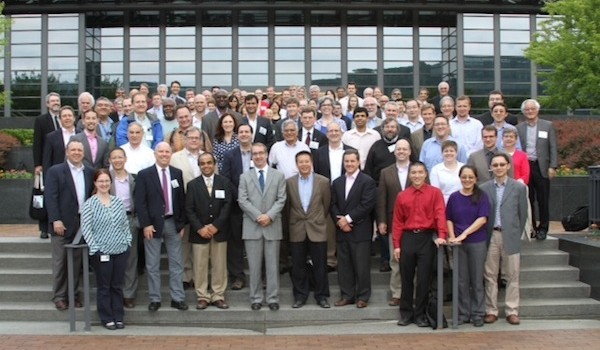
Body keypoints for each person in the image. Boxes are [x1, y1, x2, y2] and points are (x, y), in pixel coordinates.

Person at [135, 142, 188, 312]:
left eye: (167, 152)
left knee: (176, 264)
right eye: (161, 152)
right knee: (152, 264)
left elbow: (181, 199)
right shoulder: (144, 175)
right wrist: (146, 224)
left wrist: (181, 223)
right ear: (155, 154)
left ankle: (177, 298)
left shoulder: (176, 173)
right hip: (152, 225)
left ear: (171, 154)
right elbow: (140, 202)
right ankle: (155, 298)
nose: (164, 154)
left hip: (173, 223)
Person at [393, 161, 447, 327]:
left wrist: (442, 234)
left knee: (424, 279)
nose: (417, 176)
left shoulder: (435, 193)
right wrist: (397, 244)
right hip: (408, 238)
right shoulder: (402, 195)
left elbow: (440, 214)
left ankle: (420, 315)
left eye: (420, 172)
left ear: (426, 174)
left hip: (426, 238)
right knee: (406, 277)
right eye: (414, 173)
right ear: (410, 175)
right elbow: (397, 222)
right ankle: (406, 314)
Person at [45, 139, 94, 311]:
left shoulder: (89, 172)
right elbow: (50, 197)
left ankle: (73, 295)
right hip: (61, 224)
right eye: (73, 150)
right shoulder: (56, 171)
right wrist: (55, 219)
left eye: (79, 150)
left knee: (76, 263)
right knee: (60, 263)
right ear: (67, 152)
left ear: (83, 153)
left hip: (82, 224)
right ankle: (59, 296)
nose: (76, 153)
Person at [238, 143, 287, 311]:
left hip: (272, 226)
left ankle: (273, 298)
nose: (258, 156)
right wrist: (259, 216)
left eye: (261, 153)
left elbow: (281, 199)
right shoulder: (244, 177)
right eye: (254, 154)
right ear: (251, 156)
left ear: (266, 154)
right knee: (254, 266)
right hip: (252, 227)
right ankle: (256, 298)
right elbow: (242, 200)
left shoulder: (278, 176)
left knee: (273, 266)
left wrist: (269, 216)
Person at [81, 169, 132, 330]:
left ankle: (118, 316)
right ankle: (106, 317)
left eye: (106, 181)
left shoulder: (117, 202)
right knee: (104, 287)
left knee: (117, 285)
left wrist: (127, 241)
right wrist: (95, 248)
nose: (104, 184)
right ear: (95, 183)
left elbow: (125, 224)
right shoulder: (90, 204)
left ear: (110, 183)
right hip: (101, 252)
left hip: (120, 250)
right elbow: (86, 229)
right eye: (100, 181)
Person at [481, 153, 528, 325]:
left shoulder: (518, 188)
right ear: (491, 168)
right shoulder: (484, 188)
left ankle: (512, 310)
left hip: (510, 235)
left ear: (508, 166)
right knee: (490, 274)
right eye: (495, 165)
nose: (499, 168)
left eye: (502, 164)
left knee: (512, 274)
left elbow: (522, 214)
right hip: (491, 235)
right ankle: (491, 310)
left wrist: (515, 232)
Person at [186, 152, 233, 310]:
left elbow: (227, 205)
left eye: (209, 163)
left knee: (219, 265)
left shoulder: (224, 182)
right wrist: (200, 227)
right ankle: (202, 296)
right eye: (203, 163)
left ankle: (218, 295)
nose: (206, 166)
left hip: (219, 232)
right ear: (199, 166)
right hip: (199, 233)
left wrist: (216, 225)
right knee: (199, 265)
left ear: (214, 164)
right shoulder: (192, 185)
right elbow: (189, 209)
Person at [330, 149, 377, 309]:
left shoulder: (367, 181)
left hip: (360, 230)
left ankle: (363, 296)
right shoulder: (337, 182)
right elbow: (333, 204)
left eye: (352, 161)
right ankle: (347, 295)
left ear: (359, 162)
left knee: (361, 265)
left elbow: (367, 205)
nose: (349, 164)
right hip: (342, 231)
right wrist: (340, 222)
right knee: (344, 265)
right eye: (346, 161)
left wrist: (348, 219)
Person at [286, 151, 332, 309]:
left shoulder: (323, 182)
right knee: (298, 265)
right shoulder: (289, 182)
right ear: (296, 164)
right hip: (297, 228)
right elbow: (288, 206)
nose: (304, 164)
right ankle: (300, 296)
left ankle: (322, 296)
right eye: (301, 162)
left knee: (320, 265)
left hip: (317, 227)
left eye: (306, 161)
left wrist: (316, 219)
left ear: (311, 162)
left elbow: (326, 205)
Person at [446, 165, 491, 327]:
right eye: (464, 177)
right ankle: (463, 313)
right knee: (461, 280)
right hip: (458, 245)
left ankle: (478, 313)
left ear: (476, 178)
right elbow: (449, 218)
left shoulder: (482, 196)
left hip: (477, 242)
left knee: (477, 280)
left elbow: (483, 219)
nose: (467, 180)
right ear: (460, 178)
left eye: (470, 177)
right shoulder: (453, 197)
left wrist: (464, 234)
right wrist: (452, 237)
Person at [376, 138, 412, 307]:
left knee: (413, 259)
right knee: (395, 259)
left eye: (404, 149)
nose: (401, 152)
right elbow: (381, 198)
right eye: (399, 149)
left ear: (410, 151)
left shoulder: (418, 170)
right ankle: (397, 293)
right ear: (395, 151)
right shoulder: (386, 172)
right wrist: (381, 221)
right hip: (393, 222)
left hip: (416, 223)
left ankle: (413, 292)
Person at [516, 99, 557, 240]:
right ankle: (532, 227)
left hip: (542, 166)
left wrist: (553, 166)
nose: (530, 111)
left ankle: (543, 228)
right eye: (527, 109)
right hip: (526, 165)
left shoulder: (548, 125)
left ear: (537, 110)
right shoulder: (519, 128)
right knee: (529, 198)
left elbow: (553, 147)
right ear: (523, 112)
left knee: (543, 198)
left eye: (532, 108)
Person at [220, 124, 254, 290]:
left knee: (257, 241)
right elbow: (226, 179)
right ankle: (237, 277)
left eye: (247, 132)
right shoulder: (229, 155)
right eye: (241, 132)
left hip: (258, 206)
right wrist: (241, 197)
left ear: (252, 134)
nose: (244, 134)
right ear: (237, 135)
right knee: (235, 243)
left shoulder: (260, 152)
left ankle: (259, 276)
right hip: (236, 205)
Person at [108, 148, 139, 309]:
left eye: (120, 157)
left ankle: (129, 294)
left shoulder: (134, 178)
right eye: (114, 158)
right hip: (109, 221)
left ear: (125, 159)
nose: (118, 160)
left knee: (130, 259)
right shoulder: (105, 179)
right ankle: (114, 293)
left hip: (129, 219)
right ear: (110, 160)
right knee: (111, 259)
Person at [33, 92, 62, 239]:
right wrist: (38, 164)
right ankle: (44, 228)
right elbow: (37, 143)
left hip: (62, 161)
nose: (56, 103)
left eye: (57, 101)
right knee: (46, 195)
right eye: (53, 101)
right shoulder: (41, 120)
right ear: (47, 104)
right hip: (47, 163)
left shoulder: (65, 118)